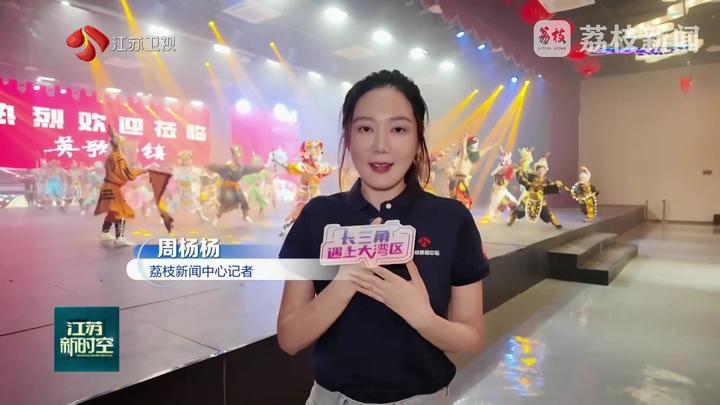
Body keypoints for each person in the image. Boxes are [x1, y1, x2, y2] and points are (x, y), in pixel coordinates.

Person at [277, 70, 489, 405]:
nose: (380, 145)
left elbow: (471, 336)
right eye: (365, 128)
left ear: (418, 139)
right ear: (348, 137)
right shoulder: (317, 216)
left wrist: (424, 319)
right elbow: (290, 338)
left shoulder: (451, 219)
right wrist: (345, 282)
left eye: (398, 129)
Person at [94, 125, 146, 246]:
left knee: (113, 212)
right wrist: (141, 171)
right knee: (121, 211)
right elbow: (126, 174)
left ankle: (105, 232)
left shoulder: (112, 156)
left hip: (109, 187)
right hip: (113, 187)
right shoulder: (117, 157)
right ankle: (119, 237)